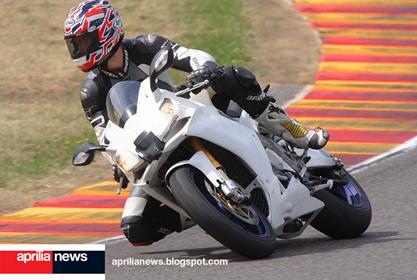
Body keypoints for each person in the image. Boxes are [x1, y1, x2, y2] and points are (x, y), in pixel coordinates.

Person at [64, 0, 329, 246]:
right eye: (75, 43)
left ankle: (294, 131)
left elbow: (190, 55)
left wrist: (202, 67)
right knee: (135, 228)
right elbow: (105, 135)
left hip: (180, 108)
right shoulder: (91, 92)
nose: (80, 49)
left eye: (85, 41)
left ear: (107, 31)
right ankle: (206, 207)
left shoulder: (145, 46)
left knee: (229, 76)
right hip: (150, 144)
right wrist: (117, 163)